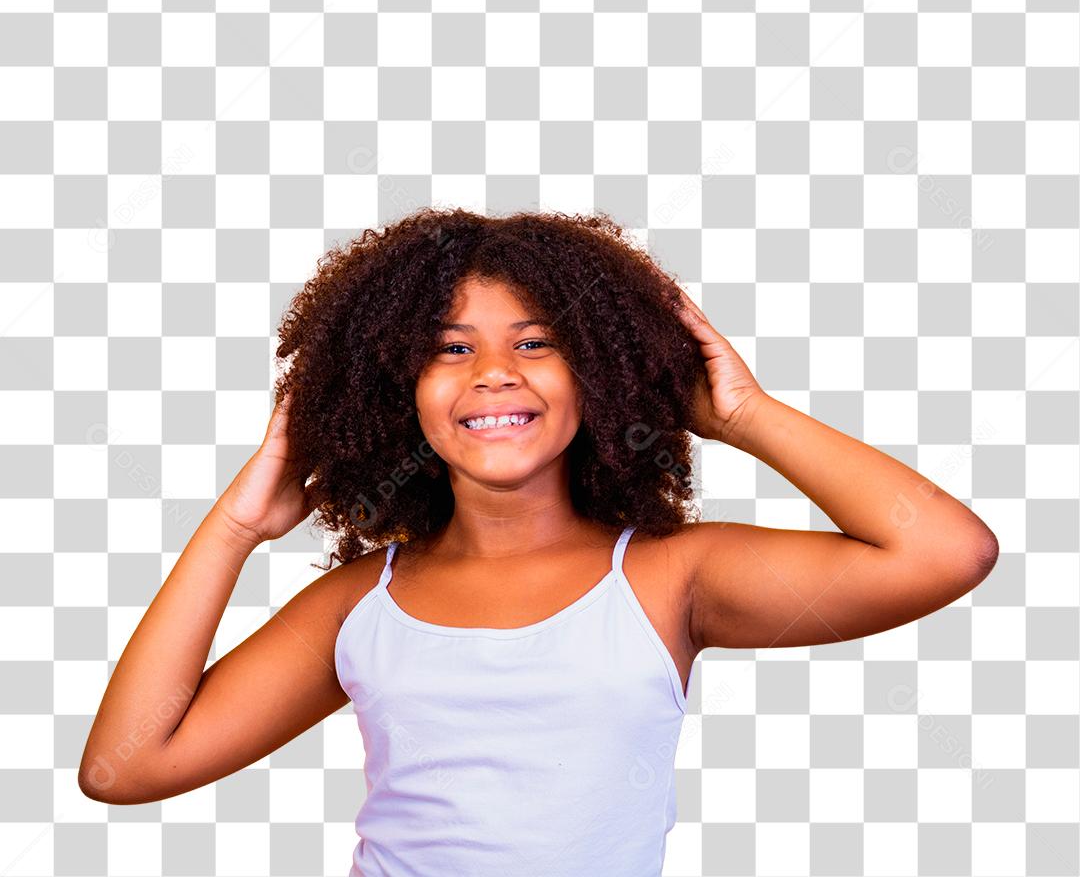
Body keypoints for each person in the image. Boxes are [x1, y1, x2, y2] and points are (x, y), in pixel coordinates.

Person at [77, 207, 999, 876]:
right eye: (451, 348)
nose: (491, 374)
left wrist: (744, 416)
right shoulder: (361, 602)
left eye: (534, 343)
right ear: (396, 387)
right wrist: (236, 529)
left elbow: (944, 552)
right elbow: (128, 766)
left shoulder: (669, 576)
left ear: (598, 371)